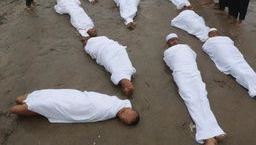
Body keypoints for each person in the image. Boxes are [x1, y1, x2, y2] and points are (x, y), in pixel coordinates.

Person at [164, 33, 226, 145]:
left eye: (175, 40)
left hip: (194, 72)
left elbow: (193, 56)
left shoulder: (186, 47)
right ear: (167, 44)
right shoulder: (167, 52)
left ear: (179, 40)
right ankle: (207, 136)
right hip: (181, 74)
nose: (174, 42)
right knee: (192, 100)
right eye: (171, 41)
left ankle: (216, 130)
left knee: (202, 98)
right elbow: (170, 63)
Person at [10, 89, 140, 125]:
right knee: (19, 99)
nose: (121, 117)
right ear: (130, 110)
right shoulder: (116, 102)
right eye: (125, 115)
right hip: (74, 98)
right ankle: (36, 105)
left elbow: (90, 115)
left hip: (68, 107)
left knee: (14, 109)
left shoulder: (110, 113)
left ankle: (39, 109)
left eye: (123, 120)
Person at [203, 28, 256, 97]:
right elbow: (206, 48)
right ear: (210, 35)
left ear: (217, 33)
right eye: (212, 33)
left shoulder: (226, 39)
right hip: (227, 59)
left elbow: (231, 44)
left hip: (235, 56)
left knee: (246, 68)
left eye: (215, 32)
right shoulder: (210, 42)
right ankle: (252, 88)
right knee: (239, 71)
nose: (214, 34)